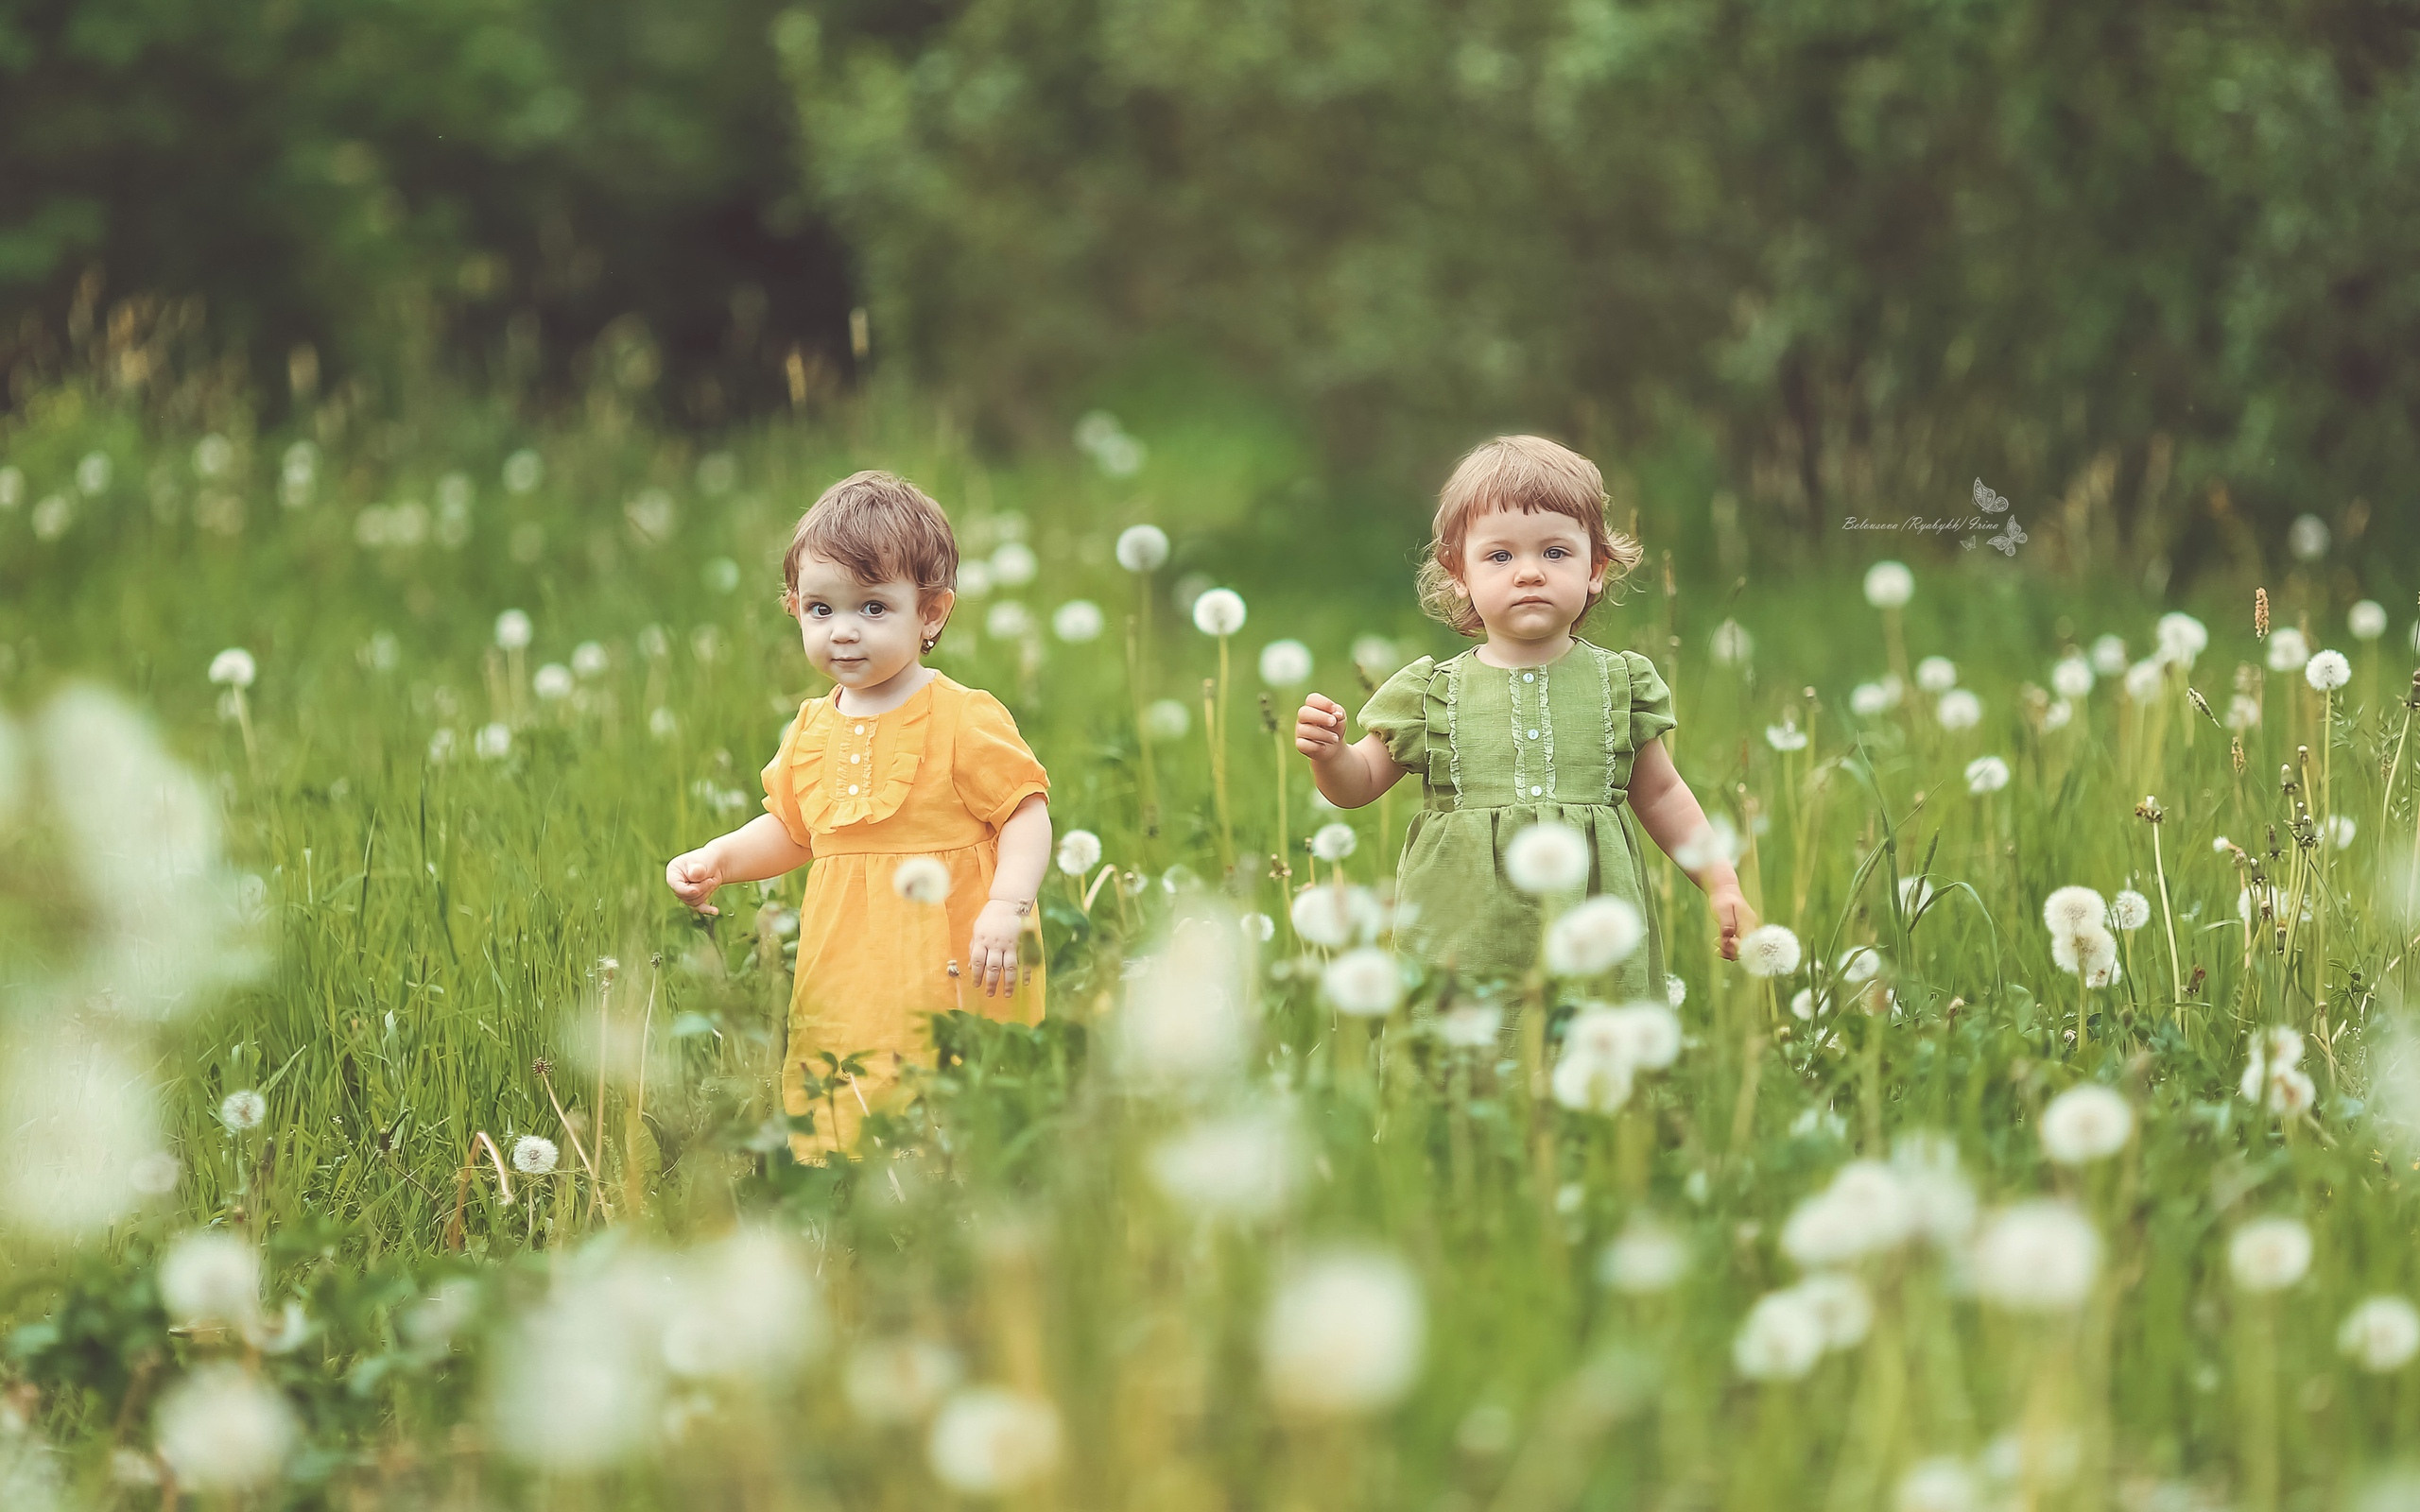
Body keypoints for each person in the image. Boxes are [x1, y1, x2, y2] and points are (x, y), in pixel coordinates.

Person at [666, 470, 1052, 1160]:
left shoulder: (963, 717)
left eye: (873, 607)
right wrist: (719, 859)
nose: (843, 631)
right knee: (844, 1074)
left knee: (956, 1083)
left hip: (955, 951)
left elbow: (1024, 812)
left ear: (931, 613)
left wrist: (1008, 904)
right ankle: (849, 1183)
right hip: (848, 961)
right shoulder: (812, 727)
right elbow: (794, 830)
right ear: (795, 609)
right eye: (821, 609)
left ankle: (960, 1183)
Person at [1292, 434, 1754, 997]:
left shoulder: (1620, 684)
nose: (1529, 572)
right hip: (1461, 937)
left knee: (1593, 1038)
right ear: (1458, 571)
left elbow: (1660, 795)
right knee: (1463, 1043)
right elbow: (1357, 785)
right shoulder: (1430, 693)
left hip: (1592, 935)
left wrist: (1721, 882)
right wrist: (1331, 755)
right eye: (1500, 556)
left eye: (1555, 552)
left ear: (1596, 568)